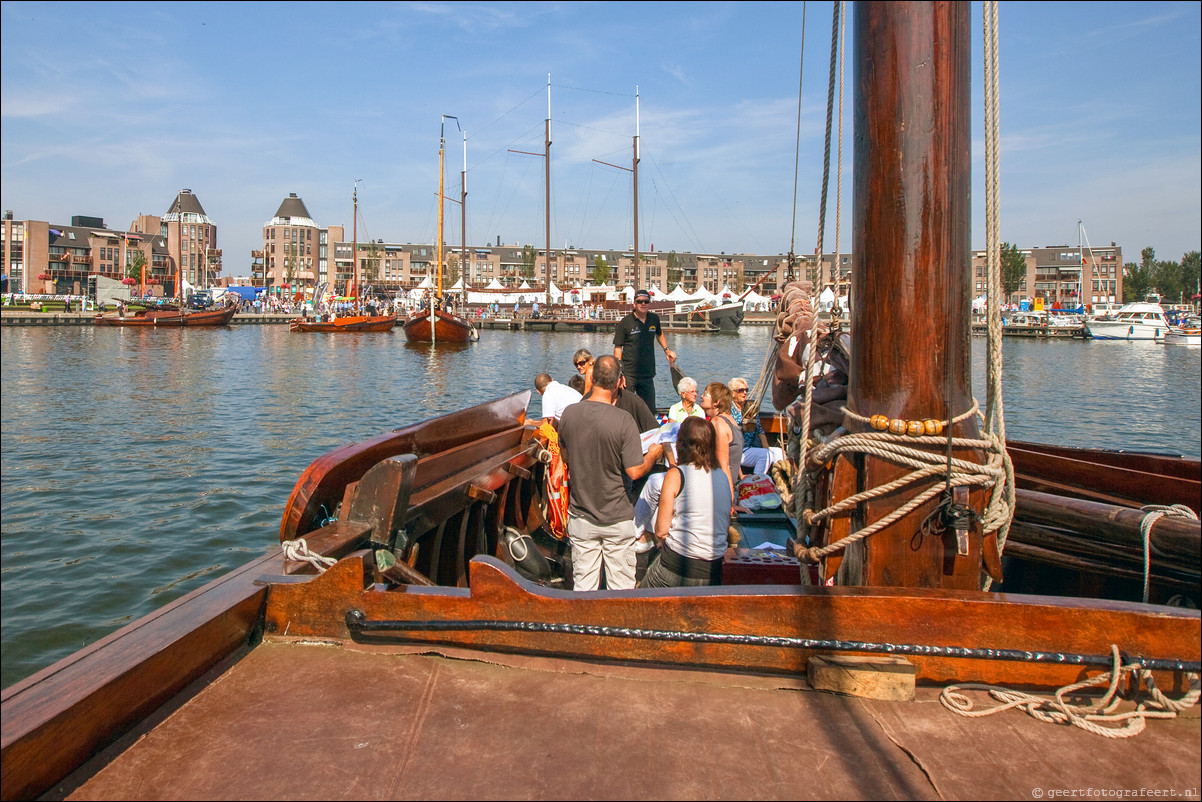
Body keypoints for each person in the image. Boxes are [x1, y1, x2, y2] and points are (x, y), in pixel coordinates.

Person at [558, 356, 664, 592]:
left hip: (581, 514)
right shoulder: (623, 420)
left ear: (592, 378)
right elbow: (635, 471)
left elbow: (565, 457)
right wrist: (654, 454)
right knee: (621, 591)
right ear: (618, 383)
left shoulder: (569, 414)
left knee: (584, 587)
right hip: (617, 516)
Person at [640, 417, 733, 588]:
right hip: (713, 572)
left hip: (677, 567)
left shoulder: (676, 475)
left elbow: (661, 530)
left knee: (641, 599)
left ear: (681, 444)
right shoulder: (722, 477)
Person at [613, 288, 676, 412]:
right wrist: (620, 374)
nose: (643, 304)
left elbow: (659, 333)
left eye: (646, 301)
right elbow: (617, 349)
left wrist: (667, 349)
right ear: (634, 304)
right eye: (640, 301)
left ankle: (648, 430)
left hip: (647, 374)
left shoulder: (654, 319)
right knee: (626, 410)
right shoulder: (625, 323)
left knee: (649, 411)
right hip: (629, 375)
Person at [729, 377, 783, 476]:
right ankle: (756, 481)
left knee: (778, 452)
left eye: (746, 390)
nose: (744, 392)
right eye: (740, 390)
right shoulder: (729, 410)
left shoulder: (750, 408)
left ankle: (780, 479)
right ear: (732, 393)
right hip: (739, 451)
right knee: (764, 455)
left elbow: (760, 431)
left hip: (750, 447)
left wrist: (766, 447)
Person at [704, 382, 742, 501]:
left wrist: (730, 501)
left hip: (717, 490)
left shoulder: (718, 423)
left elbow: (723, 464)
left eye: (706, 394)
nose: (702, 396)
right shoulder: (731, 421)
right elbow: (732, 456)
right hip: (726, 485)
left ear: (716, 402)